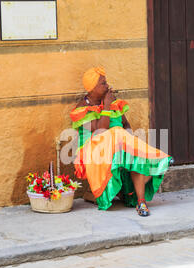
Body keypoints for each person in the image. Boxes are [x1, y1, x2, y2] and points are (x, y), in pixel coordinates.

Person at [70, 67, 172, 216]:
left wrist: (129, 138)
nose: (107, 86)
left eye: (106, 82)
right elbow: (101, 131)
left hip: (118, 145)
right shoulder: (82, 108)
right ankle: (155, 158)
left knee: (134, 154)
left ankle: (141, 201)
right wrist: (106, 106)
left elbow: (126, 125)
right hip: (93, 150)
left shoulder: (114, 103)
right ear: (92, 89)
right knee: (119, 136)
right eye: (103, 83)